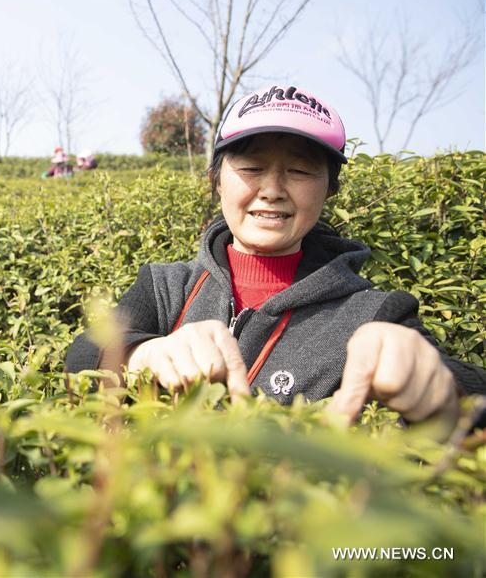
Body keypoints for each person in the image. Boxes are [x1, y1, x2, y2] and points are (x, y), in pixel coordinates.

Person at [64, 84, 485, 427]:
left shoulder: (373, 313)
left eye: (300, 171)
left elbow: (473, 396)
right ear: (216, 180)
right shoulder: (165, 287)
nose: (272, 188)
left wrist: (445, 387)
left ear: (330, 190)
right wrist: (143, 355)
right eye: (250, 167)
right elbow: (82, 354)